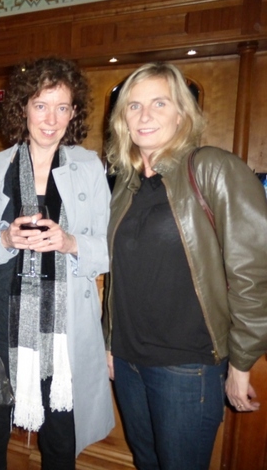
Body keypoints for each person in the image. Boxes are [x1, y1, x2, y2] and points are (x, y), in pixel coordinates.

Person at [103, 62, 267, 470]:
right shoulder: (125, 183)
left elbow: (253, 273)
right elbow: (121, 275)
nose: (145, 115)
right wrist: (110, 342)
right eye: (134, 105)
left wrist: (241, 363)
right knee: (146, 461)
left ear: (182, 113)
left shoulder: (213, 168)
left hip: (187, 365)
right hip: (129, 360)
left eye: (160, 103)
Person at [0, 57, 114, 470]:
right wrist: (4, 239)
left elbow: (109, 248)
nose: (51, 119)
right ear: (23, 109)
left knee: (61, 434)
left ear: (73, 113)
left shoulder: (89, 168)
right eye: (41, 106)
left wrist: (69, 242)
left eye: (62, 107)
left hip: (63, 324)